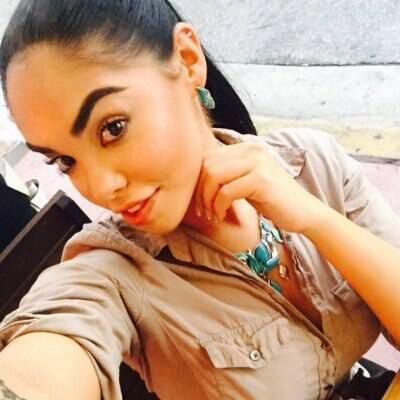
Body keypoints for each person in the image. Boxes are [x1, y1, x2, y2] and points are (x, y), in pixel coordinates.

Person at [0, 1, 399, 399]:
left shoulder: (310, 162)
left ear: (187, 60)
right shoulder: (114, 272)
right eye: (65, 160)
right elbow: (57, 340)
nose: (102, 187)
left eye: (113, 128)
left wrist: (316, 219)